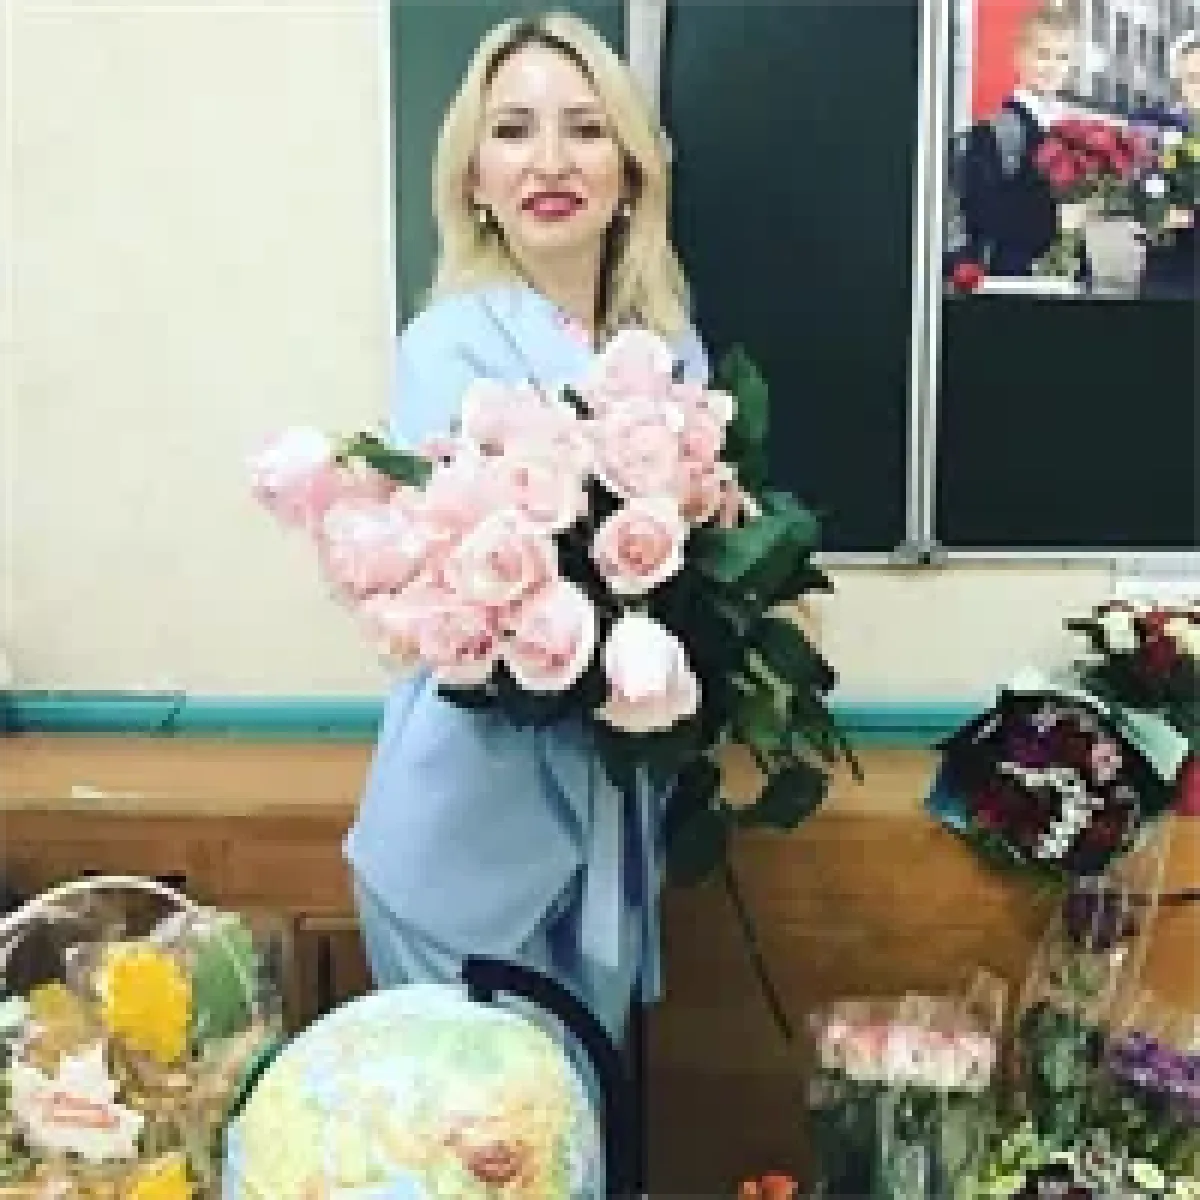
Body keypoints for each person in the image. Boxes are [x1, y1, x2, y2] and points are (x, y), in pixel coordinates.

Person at [343, 11, 709, 1044]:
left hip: (609, 827)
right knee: (478, 1124)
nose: (551, 161)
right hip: (460, 837)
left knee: (583, 1119)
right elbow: (463, 590)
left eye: (585, 129)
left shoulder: (672, 347)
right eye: (513, 130)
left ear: (629, 169)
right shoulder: (446, 347)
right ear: (473, 176)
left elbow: (694, 574)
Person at [953, 3, 1078, 278]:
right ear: (1020, 56)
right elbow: (981, 214)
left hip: (1068, 271)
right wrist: (1054, 216)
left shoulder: (1076, 132)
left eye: (1062, 57)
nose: (1053, 66)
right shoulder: (993, 132)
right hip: (1013, 274)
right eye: (1043, 54)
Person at [1141, 30, 1200, 298]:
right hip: (1168, 270)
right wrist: (1151, 213)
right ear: (1179, 82)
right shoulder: (1153, 127)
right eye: (1192, 78)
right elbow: (1131, 191)